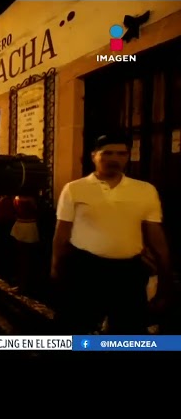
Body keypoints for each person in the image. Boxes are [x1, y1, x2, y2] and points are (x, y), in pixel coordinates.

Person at [52, 132, 174, 334]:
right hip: (85, 270)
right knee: (75, 328)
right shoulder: (74, 189)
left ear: (128, 156)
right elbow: (61, 234)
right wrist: (56, 269)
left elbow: (156, 236)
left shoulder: (145, 190)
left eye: (121, 154)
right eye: (107, 153)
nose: (114, 159)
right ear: (94, 156)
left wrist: (165, 276)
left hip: (128, 273)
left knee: (128, 331)